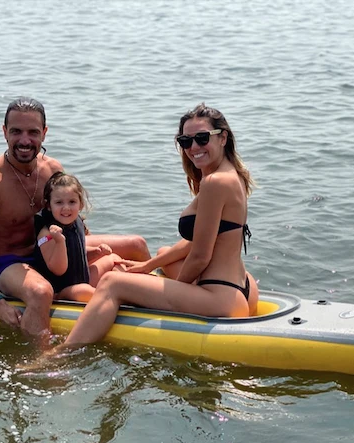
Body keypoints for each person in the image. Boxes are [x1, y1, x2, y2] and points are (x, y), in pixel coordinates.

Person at [61, 103, 259, 348]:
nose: (193, 147)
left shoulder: (214, 183)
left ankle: (60, 354)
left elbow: (200, 256)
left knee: (113, 282)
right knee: (165, 253)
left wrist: (170, 291)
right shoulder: (232, 175)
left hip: (221, 298)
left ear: (223, 138)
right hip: (243, 288)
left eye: (202, 138)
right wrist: (148, 266)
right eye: (186, 141)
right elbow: (197, 241)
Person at [0, 97, 150, 340]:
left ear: (44, 133)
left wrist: (86, 250)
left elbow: (71, 215)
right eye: (16, 131)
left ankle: (160, 308)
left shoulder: (51, 169)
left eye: (33, 132)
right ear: (4, 132)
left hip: (51, 246)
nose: (24, 140)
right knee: (42, 292)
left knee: (136, 245)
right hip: (7, 261)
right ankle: (42, 359)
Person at [34, 171, 125, 302]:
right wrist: (59, 242)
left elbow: (76, 252)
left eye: (72, 202)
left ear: (80, 204)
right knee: (84, 290)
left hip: (82, 279)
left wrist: (97, 251)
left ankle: (120, 290)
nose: (66, 208)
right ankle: (115, 296)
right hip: (62, 289)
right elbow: (58, 269)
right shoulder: (47, 234)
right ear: (49, 206)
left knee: (114, 259)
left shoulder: (76, 222)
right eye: (59, 202)